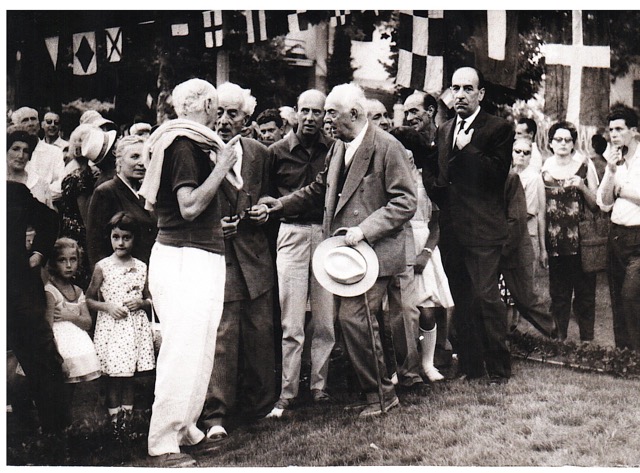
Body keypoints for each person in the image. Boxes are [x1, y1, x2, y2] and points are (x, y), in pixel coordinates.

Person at [260, 83, 417, 417]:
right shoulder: (339, 149)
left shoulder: (388, 147)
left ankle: (380, 395)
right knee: (355, 320)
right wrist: (280, 205)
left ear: (355, 114)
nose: (326, 118)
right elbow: (319, 190)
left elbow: (406, 201)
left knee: (354, 318)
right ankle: (378, 392)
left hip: (376, 253)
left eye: (332, 111)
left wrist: (364, 229)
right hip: (350, 254)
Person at [138, 78, 239, 467]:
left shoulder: (191, 142)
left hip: (199, 253)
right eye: (218, 106)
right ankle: (162, 442)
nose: (221, 114)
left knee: (200, 347)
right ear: (207, 104)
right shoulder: (182, 144)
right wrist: (224, 166)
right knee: (183, 350)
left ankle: (186, 428)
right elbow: (190, 207)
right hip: (184, 258)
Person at [425, 67, 514, 384]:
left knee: (486, 298)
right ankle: (472, 367)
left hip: (484, 231)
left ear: (481, 94)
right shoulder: (444, 129)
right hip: (453, 231)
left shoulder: (498, 128)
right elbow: (438, 175)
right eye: (455, 88)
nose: (460, 94)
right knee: (462, 299)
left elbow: (496, 176)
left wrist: (468, 149)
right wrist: (434, 183)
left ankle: (500, 368)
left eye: (467, 88)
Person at [199, 82, 276, 438]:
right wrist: (213, 227)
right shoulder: (196, 151)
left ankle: (260, 406)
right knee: (223, 336)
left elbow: (275, 196)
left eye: (233, 114)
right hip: (218, 258)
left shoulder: (261, 153)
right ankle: (215, 415)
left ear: (246, 120)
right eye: (219, 112)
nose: (224, 120)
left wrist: (266, 210)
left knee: (260, 333)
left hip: (256, 258)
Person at [266, 89, 336, 417]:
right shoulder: (276, 152)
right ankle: (287, 392)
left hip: (325, 234)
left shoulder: (335, 150)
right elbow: (266, 202)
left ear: (326, 115)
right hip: (291, 235)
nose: (310, 118)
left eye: (317, 112)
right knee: (291, 320)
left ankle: (320, 387)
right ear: (295, 112)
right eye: (304, 111)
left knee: (324, 319)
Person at [7, 130, 70, 456]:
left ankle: (55, 429)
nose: (20, 154)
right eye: (14, 149)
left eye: (25, 149)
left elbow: (47, 219)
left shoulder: (16, 191)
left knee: (41, 354)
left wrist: (39, 254)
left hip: (19, 282)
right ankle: (18, 429)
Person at [390, 126, 453, 382]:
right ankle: (399, 366)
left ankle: (428, 363)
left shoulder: (426, 182)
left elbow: (436, 223)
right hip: (396, 245)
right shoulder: (389, 179)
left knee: (427, 311)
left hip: (423, 244)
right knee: (398, 313)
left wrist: (425, 253)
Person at [86, 212, 155, 441]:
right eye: (116, 237)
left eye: (126, 237)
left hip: (134, 329)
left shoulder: (142, 267)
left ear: (134, 239)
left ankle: (128, 422)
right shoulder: (102, 267)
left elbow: (149, 298)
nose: (121, 243)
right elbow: (89, 299)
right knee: (115, 377)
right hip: (113, 329)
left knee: (129, 377)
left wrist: (142, 303)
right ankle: (116, 425)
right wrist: (108, 307)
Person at [542, 121, 599, 343]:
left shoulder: (585, 165)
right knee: (559, 294)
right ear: (551, 143)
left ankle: (587, 341)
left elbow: (596, 205)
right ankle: (560, 339)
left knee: (585, 294)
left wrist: (582, 186)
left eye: (567, 140)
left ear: (574, 143)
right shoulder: (545, 167)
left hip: (582, 241)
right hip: (555, 240)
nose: (563, 143)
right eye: (558, 139)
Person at [44, 238, 101, 424]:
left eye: (73, 260)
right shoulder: (50, 291)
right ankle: (60, 428)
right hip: (61, 349)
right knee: (60, 392)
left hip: (78, 348)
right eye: (62, 260)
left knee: (76, 392)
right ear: (53, 263)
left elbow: (87, 323)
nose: (69, 265)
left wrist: (71, 316)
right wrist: (54, 355)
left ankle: (75, 427)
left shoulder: (78, 290)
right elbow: (47, 326)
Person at [597, 106, 640, 350]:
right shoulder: (615, 161)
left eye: (619, 129)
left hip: (639, 236)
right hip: (617, 235)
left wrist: (622, 191)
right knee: (617, 297)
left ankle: (636, 355)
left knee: (631, 295)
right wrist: (611, 171)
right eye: (611, 129)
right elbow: (603, 203)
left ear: (633, 131)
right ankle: (623, 355)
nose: (613, 134)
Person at [500, 172, 557, 339]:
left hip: (514, 250)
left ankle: (555, 334)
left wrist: (500, 250)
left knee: (526, 300)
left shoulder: (511, 179)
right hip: (490, 249)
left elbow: (517, 220)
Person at [87, 135, 157, 269]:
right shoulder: (106, 192)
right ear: (119, 162)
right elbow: (95, 245)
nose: (142, 163)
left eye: (145, 157)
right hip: (119, 277)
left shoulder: (147, 192)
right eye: (135, 157)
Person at [58, 126, 105, 289]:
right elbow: (86, 217)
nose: (79, 145)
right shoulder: (78, 176)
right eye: (76, 140)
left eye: (83, 140)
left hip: (73, 230)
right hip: (78, 233)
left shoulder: (89, 173)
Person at [12, 106, 66, 203]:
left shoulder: (54, 152)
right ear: (17, 126)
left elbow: (61, 183)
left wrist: (40, 196)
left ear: (39, 124)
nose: (31, 123)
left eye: (33, 119)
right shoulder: (10, 154)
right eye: (25, 120)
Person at [511, 138, 548, 272]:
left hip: (526, 235)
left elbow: (527, 212)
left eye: (526, 153)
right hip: (507, 233)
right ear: (512, 152)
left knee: (525, 281)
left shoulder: (533, 177)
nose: (521, 155)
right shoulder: (507, 174)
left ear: (530, 157)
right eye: (518, 151)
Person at [7, 125, 54, 208]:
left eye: (26, 151)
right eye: (15, 149)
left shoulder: (40, 184)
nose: (21, 155)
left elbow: (49, 217)